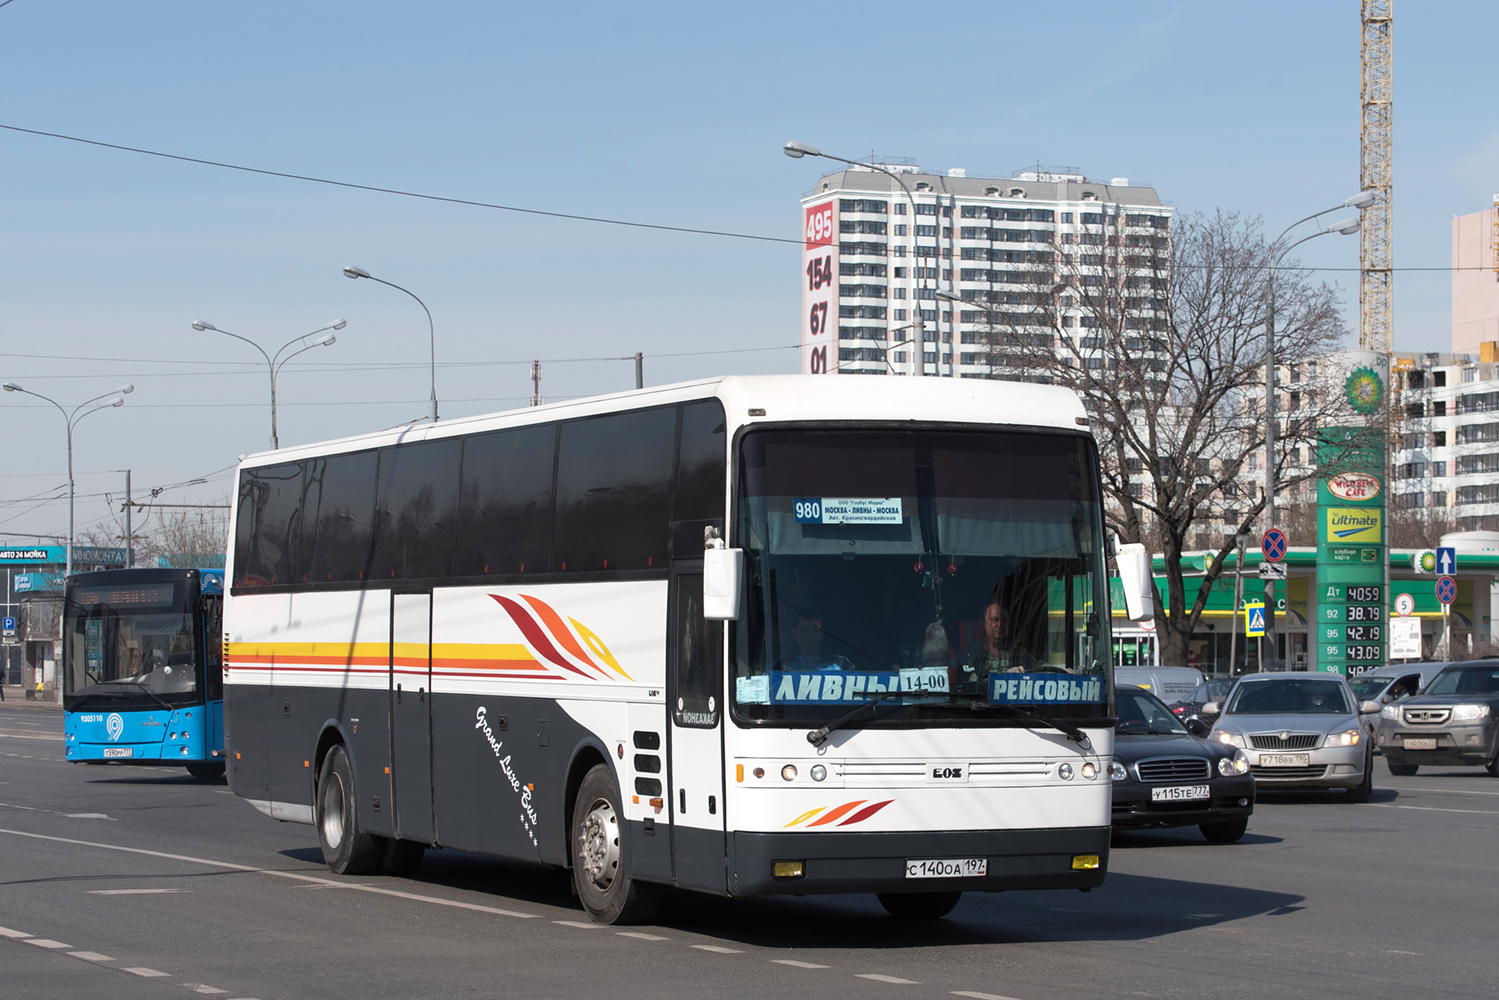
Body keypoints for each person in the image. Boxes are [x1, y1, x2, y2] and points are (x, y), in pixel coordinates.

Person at [957, 597, 1040, 689]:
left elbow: (1045, 669)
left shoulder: (1017, 654)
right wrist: (1005, 679)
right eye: (994, 620)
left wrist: (1024, 675)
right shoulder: (969, 654)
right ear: (983, 622)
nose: (1000, 625)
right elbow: (966, 688)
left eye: (1004, 621)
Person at [777, 612, 853, 671]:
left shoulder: (840, 663)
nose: (810, 637)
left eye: (815, 631)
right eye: (805, 631)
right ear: (795, 633)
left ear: (822, 633)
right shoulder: (781, 664)